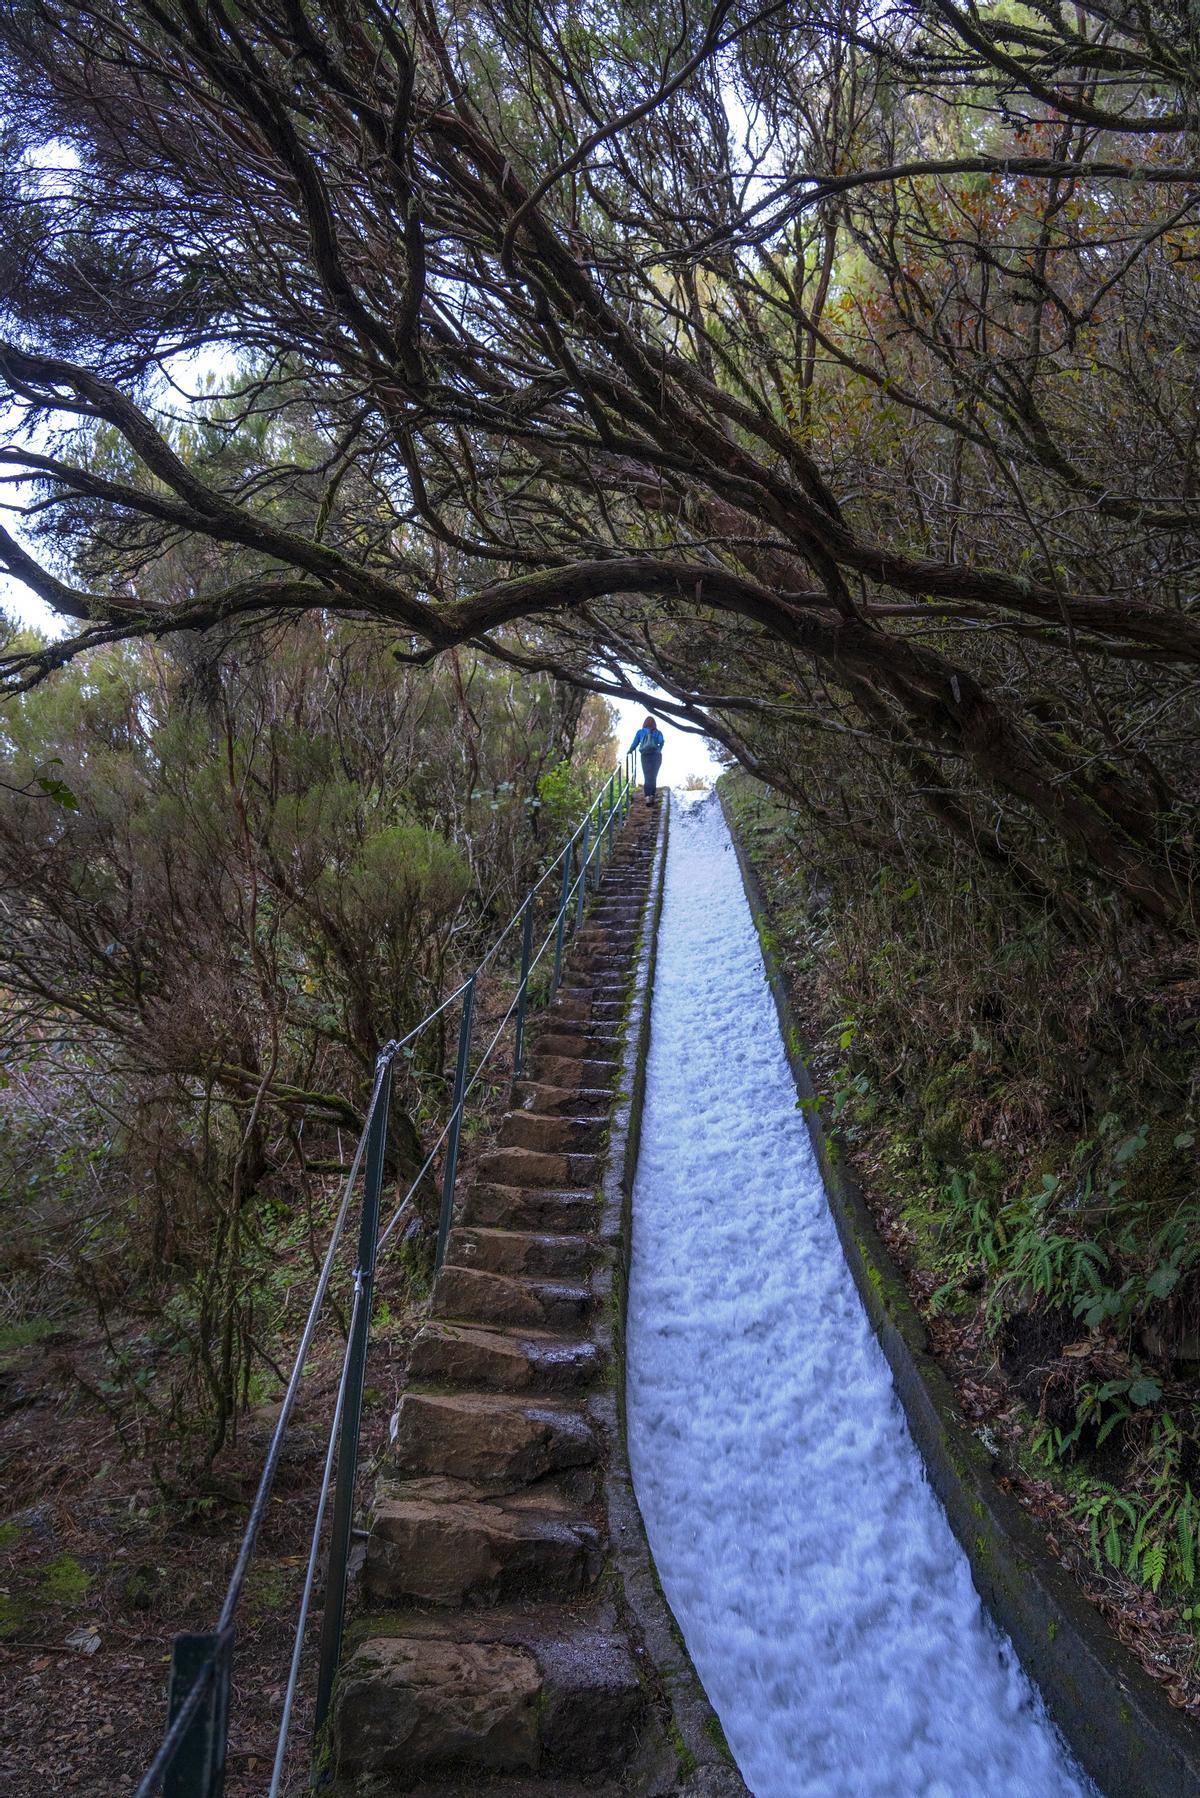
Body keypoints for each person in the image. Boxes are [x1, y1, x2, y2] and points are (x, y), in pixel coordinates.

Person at [628, 715, 665, 806]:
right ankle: (652, 795)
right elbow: (662, 741)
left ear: (644, 723)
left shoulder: (640, 732)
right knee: (653, 776)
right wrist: (659, 750)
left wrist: (630, 750)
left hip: (645, 756)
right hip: (656, 756)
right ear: (654, 724)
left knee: (647, 776)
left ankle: (647, 797)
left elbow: (635, 743)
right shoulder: (657, 732)